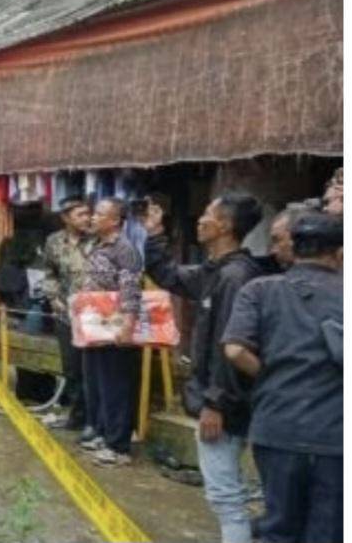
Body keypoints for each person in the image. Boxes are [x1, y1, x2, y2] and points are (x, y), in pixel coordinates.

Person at [142, 193, 267, 543]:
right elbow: (168, 275)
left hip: (225, 406)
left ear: (225, 225)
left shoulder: (236, 277)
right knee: (227, 492)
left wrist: (215, 403)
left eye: (208, 214)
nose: (200, 219)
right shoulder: (215, 271)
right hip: (218, 401)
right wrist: (154, 235)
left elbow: (231, 349)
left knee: (226, 496)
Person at [223, 213, 343, 543]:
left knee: (278, 527)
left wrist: (271, 374)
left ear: (293, 248)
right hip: (335, 435)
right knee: (328, 529)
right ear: (339, 253)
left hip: (277, 426)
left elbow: (234, 350)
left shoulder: (260, 290)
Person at [78, 197, 142, 467]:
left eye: (99, 215)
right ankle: (103, 433)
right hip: (96, 325)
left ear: (115, 220)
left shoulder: (124, 248)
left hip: (116, 326)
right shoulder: (97, 245)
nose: (93, 218)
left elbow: (130, 288)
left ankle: (119, 447)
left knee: (116, 384)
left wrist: (128, 324)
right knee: (98, 382)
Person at [41, 196, 94, 432]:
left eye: (87, 213)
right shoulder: (54, 241)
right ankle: (77, 416)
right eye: (80, 214)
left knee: (92, 369)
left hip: (94, 316)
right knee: (71, 368)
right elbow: (49, 272)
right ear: (65, 218)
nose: (86, 218)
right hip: (65, 315)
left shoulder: (96, 240)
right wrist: (53, 299)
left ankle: (94, 420)